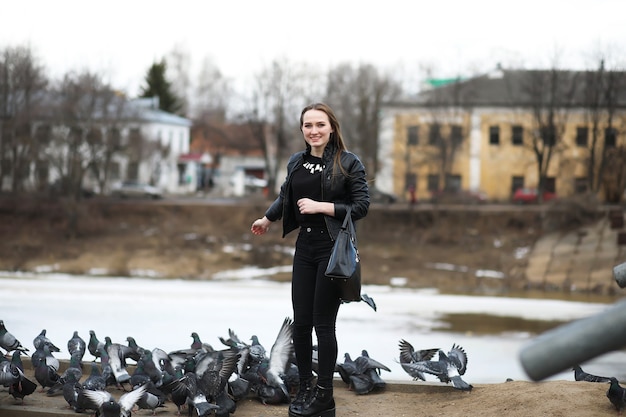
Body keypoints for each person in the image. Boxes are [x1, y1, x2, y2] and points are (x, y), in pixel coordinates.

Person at [251, 102, 369, 417]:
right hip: (305, 248)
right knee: (301, 324)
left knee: (323, 324)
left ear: (332, 127)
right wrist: (267, 218)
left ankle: (325, 396)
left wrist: (322, 207)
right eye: (307, 126)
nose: (313, 131)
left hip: (333, 251)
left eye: (319, 125)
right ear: (302, 130)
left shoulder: (348, 163)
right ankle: (305, 388)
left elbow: (361, 206)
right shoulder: (296, 162)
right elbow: (286, 195)